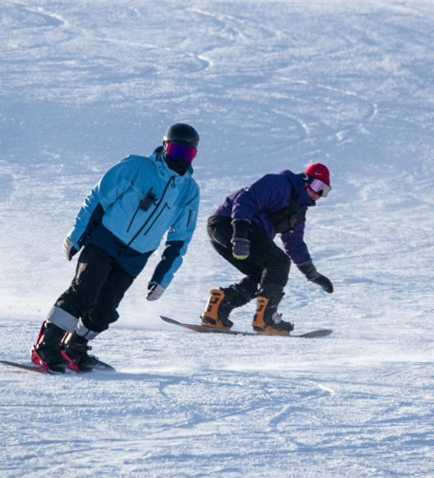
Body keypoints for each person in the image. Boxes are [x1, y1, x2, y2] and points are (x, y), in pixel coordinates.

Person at [31, 123, 201, 372]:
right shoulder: (135, 167)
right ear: (165, 147)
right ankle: (48, 344)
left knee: (106, 308)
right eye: (176, 151)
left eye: (187, 154)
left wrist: (163, 277)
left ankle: (74, 348)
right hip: (105, 240)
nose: (180, 159)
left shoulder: (189, 191)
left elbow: (180, 237)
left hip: (136, 256)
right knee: (84, 292)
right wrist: (77, 235)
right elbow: (98, 199)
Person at [200, 163, 334, 335]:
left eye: (324, 191)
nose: (318, 194)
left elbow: (294, 244)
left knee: (263, 275)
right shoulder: (280, 184)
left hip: (234, 232)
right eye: (317, 186)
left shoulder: (298, 211)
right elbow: (244, 200)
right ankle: (266, 319)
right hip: (227, 225)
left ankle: (218, 309)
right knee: (278, 262)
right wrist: (239, 234)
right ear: (305, 179)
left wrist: (312, 274)